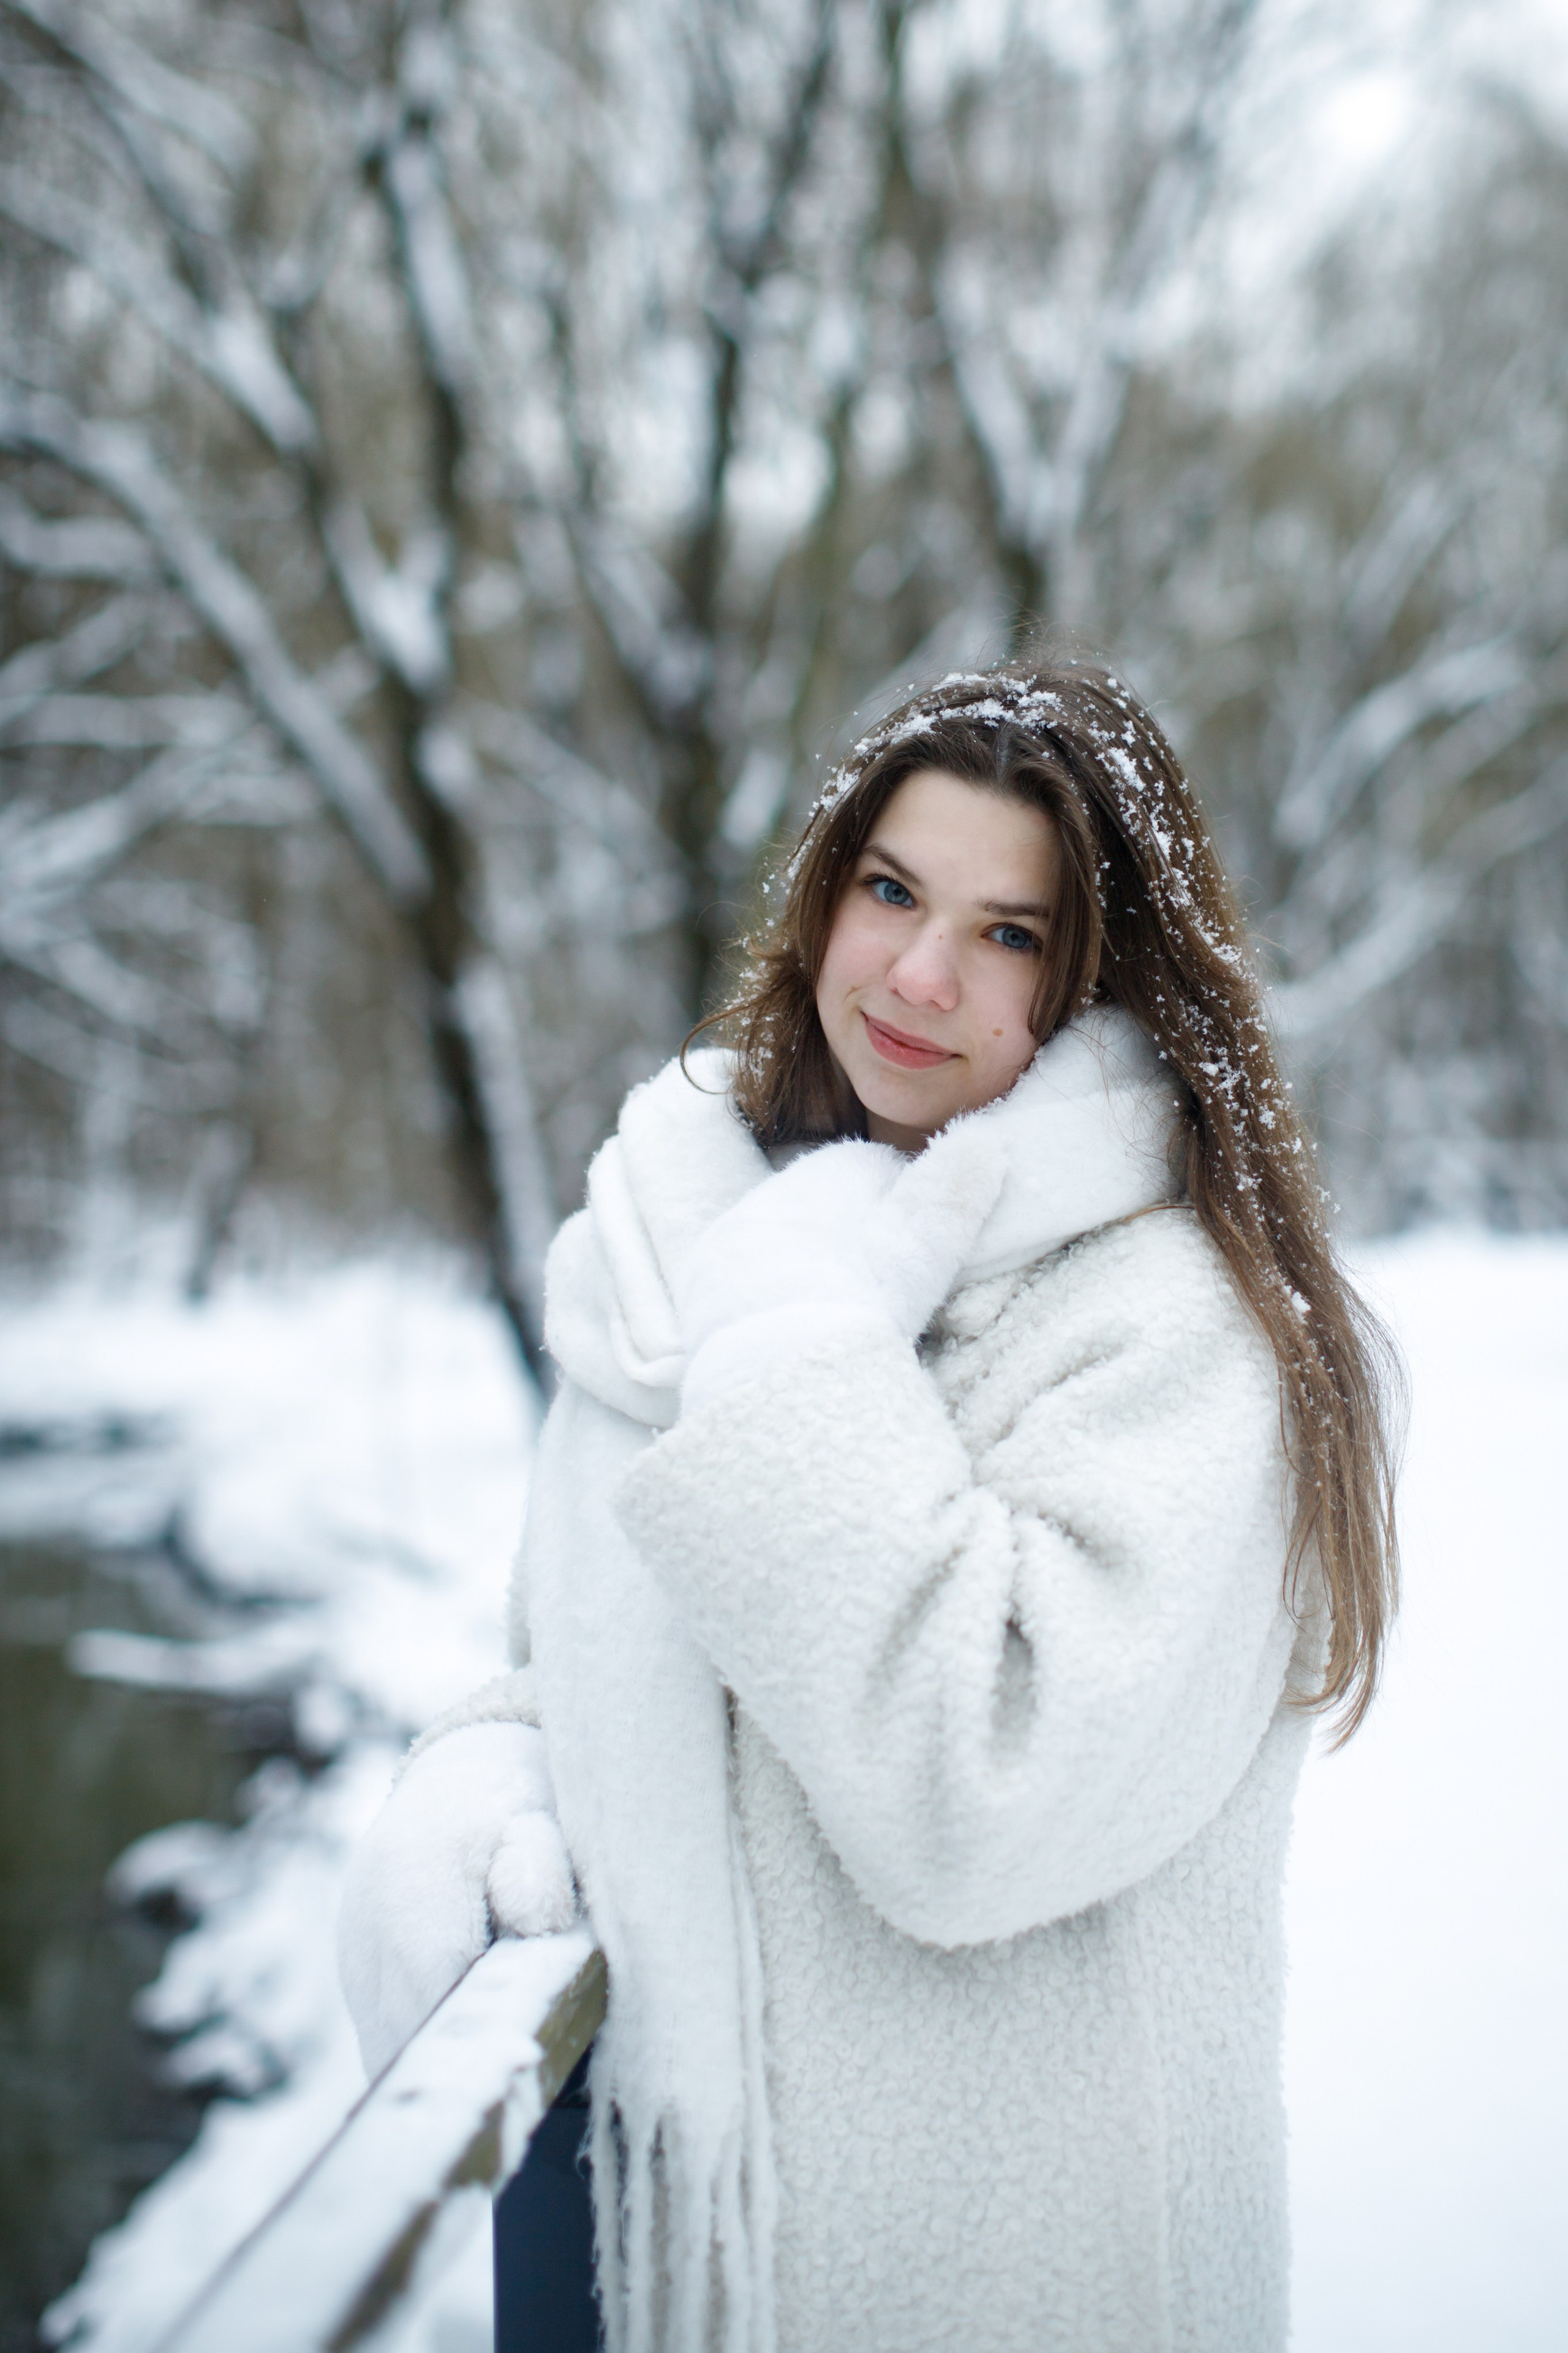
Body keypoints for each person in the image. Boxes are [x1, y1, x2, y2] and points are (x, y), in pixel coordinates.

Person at [337, 653, 1402, 2353]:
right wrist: (478, 1758)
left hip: (1021, 2288)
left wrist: (799, 1352)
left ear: (1105, 980)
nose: (919, 973)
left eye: (1012, 933)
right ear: (826, 891)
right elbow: (608, 1655)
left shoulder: (1177, 1331)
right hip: (667, 2249)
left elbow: (979, 1789)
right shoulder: (679, 1252)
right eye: (895, 890)